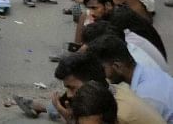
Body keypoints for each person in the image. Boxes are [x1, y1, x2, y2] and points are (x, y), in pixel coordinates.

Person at [14, 52, 164, 124]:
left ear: (91, 82)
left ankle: (41, 108)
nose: (69, 94)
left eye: (72, 88)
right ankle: (42, 108)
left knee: (59, 108)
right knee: (59, 105)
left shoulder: (116, 114)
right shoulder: (110, 90)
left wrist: (69, 119)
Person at [88, 34, 173, 122]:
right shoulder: (146, 70)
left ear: (117, 66)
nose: (102, 75)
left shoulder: (144, 97)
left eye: (102, 69)